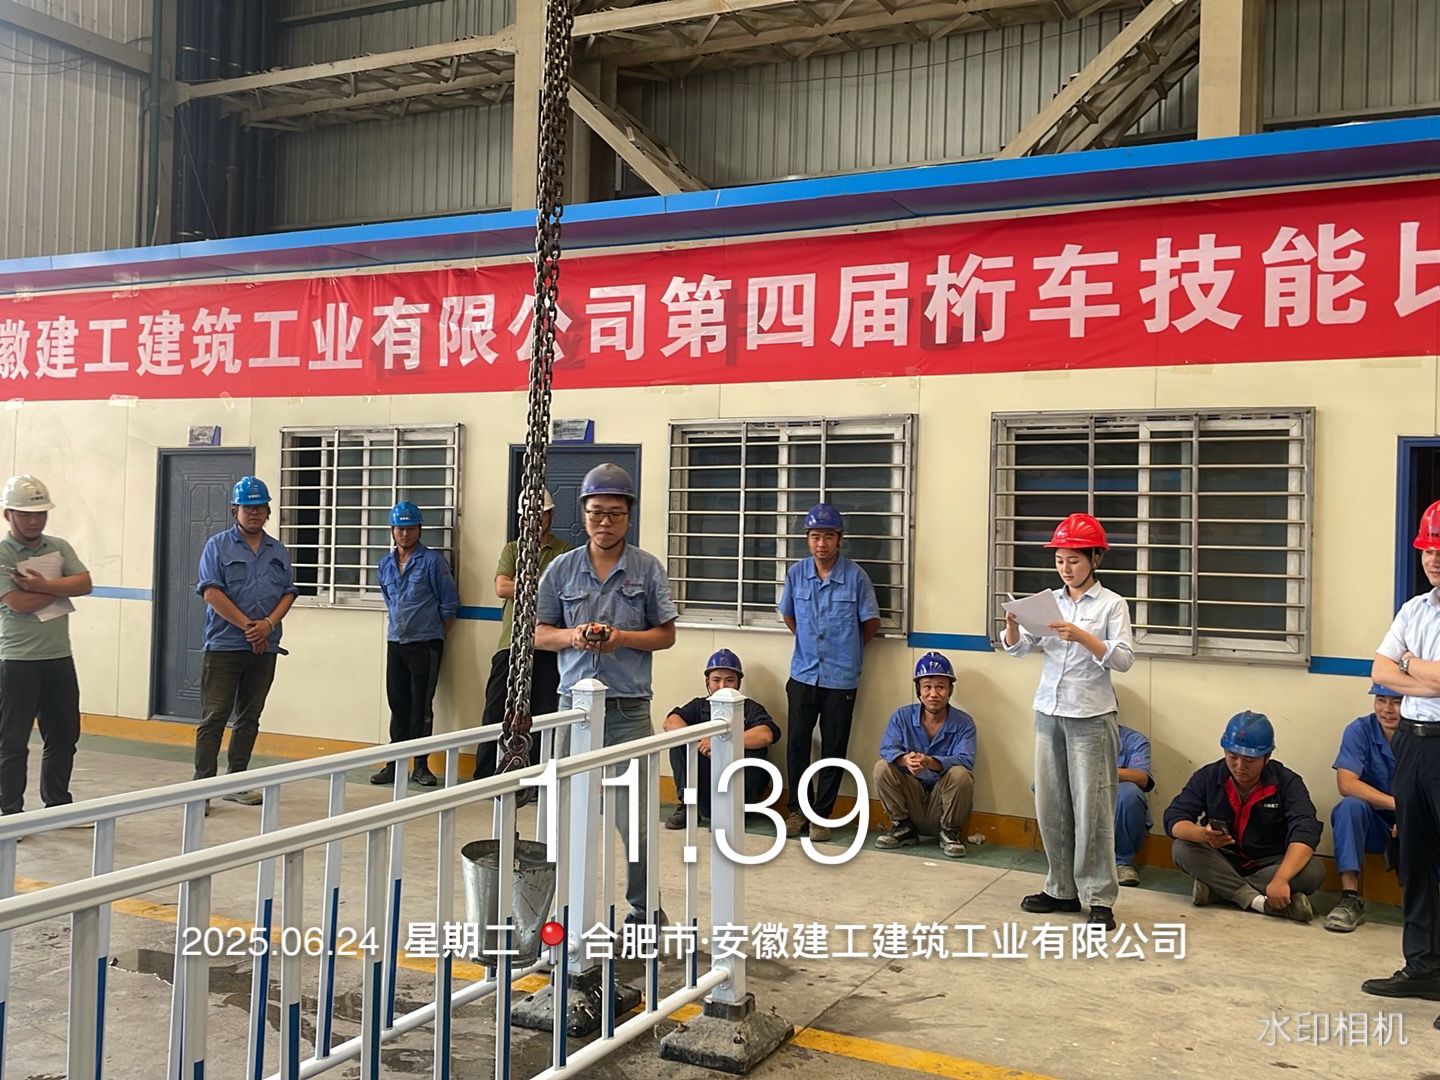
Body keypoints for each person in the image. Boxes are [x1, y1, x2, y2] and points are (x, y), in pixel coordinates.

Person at [535, 463, 676, 924]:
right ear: (584, 513)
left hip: (628, 711)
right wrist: (572, 636)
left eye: (615, 513)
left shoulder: (647, 569)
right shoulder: (560, 570)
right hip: (572, 710)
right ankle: (551, 914)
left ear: (628, 516)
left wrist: (624, 639)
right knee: (560, 815)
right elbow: (538, 633)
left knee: (635, 821)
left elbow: (666, 635)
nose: (605, 522)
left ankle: (645, 913)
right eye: (596, 512)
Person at [1002, 512, 1134, 931]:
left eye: (1074, 560)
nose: (1065, 568)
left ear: (1095, 558)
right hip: (1049, 712)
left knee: (1092, 808)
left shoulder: (1112, 604)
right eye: (1060, 560)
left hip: (1090, 717)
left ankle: (1099, 898)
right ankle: (1060, 889)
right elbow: (1019, 649)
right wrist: (1012, 627)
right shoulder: (1050, 602)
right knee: (1052, 803)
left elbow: (1124, 659)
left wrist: (1083, 636)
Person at [1363, 499, 1440, 1007]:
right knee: (1415, 858)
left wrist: (1409, 664)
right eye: (1428, 550)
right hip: (1412, 741)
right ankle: (1424, 968)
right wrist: (1422, 673)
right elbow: (1379, 671)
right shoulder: (1414, 609)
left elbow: (1406, 671)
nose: (1433, 559)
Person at [779, 503, 880, 843]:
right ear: (807, 539)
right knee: (797, 744)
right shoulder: (796, 574)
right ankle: (797, 810)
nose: (821, 544)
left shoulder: (856, 577)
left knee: (834, 747)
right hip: (803, 674)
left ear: (840, 539)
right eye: (815, 537)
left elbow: (870, 624)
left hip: (841, 678)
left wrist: (846, 650)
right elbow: (789, 616)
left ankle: (821, 816)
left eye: (828, 537)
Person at [1163, 711, 1323, 923]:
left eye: (1250, 760)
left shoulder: (1288, 782)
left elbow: (1305, 831)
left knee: (1313, 871)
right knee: (1182, 847)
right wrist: (1203, 835)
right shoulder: (1208, 777)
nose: (1240, 766)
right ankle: (1260, 902)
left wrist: (1281, 878)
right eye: (1233, 757)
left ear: (1267, 757)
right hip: (1222, 859)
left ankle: (1218, 890)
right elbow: (1174, 819)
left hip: (1270, 863)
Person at [194, 476, 297, 805]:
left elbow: (288, 593)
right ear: (234, 510)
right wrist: (249, 627)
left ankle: (237, 781)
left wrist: (267, 625)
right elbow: (211, 592)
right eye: (248, 507)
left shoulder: (277, 550)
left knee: (249, 717)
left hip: (265, 647)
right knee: (214, 717)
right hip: (224, 646)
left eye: (260, 507)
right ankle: (200, 790)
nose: (254, 513)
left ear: (268, 511)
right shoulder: (217, 546)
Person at [0, 475, 92, 816]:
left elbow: (84, 583)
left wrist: (41, 586)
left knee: (64, 738)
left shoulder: (59, 546)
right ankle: (10, 812)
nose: (35, 521)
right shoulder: (2, 554)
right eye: (26, 514)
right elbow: (18, 604)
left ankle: (57, 807)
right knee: (12, 742)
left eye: (40, 513)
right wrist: (60, 586)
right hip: (17, 661)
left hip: (59, 658)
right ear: (8, 515)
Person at [473, 488, 572, 782]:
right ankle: (485, 776)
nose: (535, 520)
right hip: (511, 645)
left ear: (550, 515)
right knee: (496, 709)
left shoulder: (565, 551)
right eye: (529, 515)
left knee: (542, 713)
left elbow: (562, 592)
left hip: (547, 646)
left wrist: (525, 583)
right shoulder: (512, 550)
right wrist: (541, 585)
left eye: (541, 514)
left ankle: (535, 777)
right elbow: (501, 587)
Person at [371, 501, 459, 788]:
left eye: (410, 528)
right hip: (396, 642)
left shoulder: (433, 562)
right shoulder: (385, 564)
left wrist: (434, 635)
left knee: (420, 708)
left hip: (426, 645)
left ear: (419, 529)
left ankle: (421, 765)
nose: (405, 534)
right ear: (392, 531)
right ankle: (394, 763)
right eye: (400, 529)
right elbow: (389, 600)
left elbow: (449, 604)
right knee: (397, 705)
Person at [872, 651, 975, 859]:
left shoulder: (964, 723)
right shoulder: (901, 716)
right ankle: (902, 827)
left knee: (961, 774)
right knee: (882, 767)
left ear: (950, 690)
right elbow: (887, 748)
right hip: (911, 798)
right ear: (918, 690)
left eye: (940, 687)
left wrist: (930, 762)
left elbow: (966, 759)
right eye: (927, 687)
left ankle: (950, 833)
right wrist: (904, 759)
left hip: (941, 803)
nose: (933, 694)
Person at [661, 649, 780, 829]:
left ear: (739, 683)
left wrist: (720, 743)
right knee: (679, 742)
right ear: (707, 682)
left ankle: (733, 811)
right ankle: (688, 805)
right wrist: (700, 741)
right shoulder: (699, 705)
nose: (722, 686)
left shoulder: (750, 708)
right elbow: (670, 723)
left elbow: (766, 735)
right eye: (716, 680)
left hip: (737, 791)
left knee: (756, 749)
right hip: (705, 785)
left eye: (729, 680)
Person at [1325, 683, 1402, 933]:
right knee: (1350, 807)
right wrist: (1399, 807)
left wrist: (1411, 816)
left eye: (1397, 702)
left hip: (1417, 821)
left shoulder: (1425, 734)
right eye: (1381, 700)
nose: (1387, 709)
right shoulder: (1360, 730)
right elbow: (1346, 784)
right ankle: (1350, 899)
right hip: (1376, 824)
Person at [1115, 725, 1155, 887]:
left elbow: (1141, 777)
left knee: (1130, 794)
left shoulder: (1134, 740)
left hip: (1114, 808)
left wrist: (1097, 771)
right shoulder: (1068, 736)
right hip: (1082, 800)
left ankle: (1122, 862)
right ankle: (1067, 857)